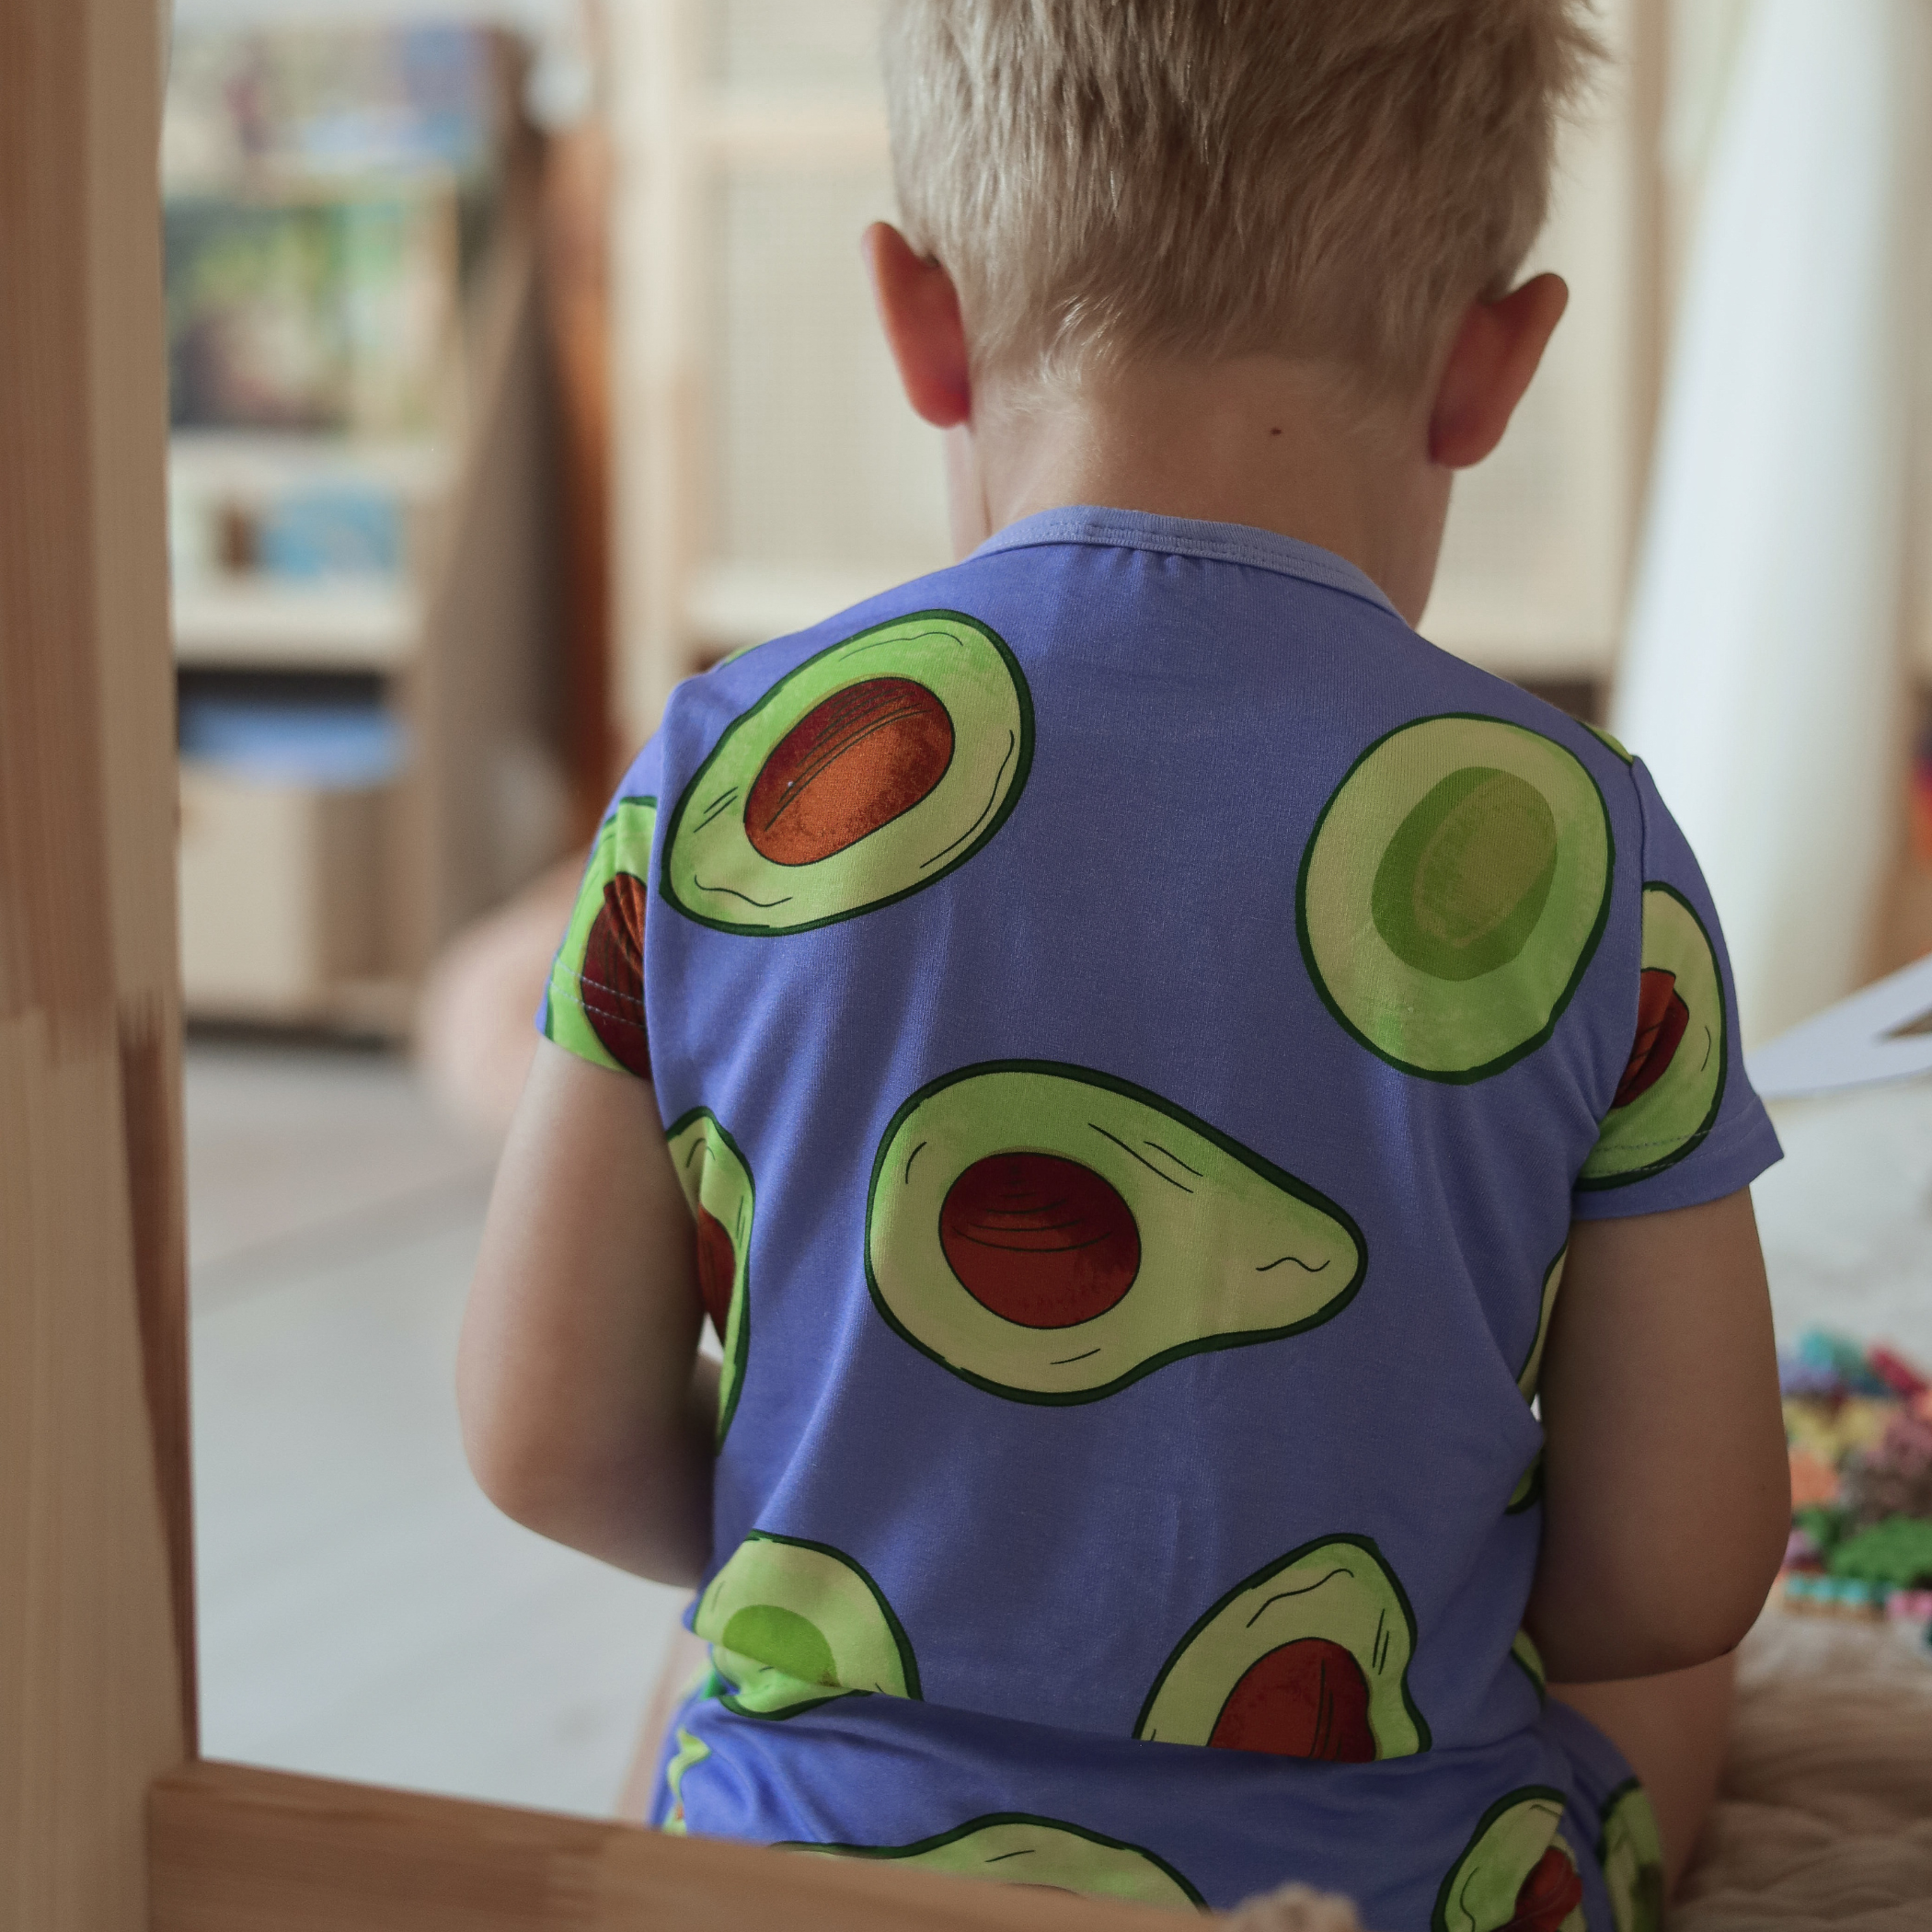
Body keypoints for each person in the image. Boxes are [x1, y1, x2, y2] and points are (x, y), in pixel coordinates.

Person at [456, 3, 1791, 1921]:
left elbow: (542, 1434)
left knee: (709, 1697)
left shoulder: (724, 774)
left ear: (919, 324)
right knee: (1677, 1687)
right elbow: (1681, 1568)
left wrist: (855, 1577)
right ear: (1492, 368)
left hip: (802, 1875)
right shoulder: (1587, 843)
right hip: (1393, 1878)